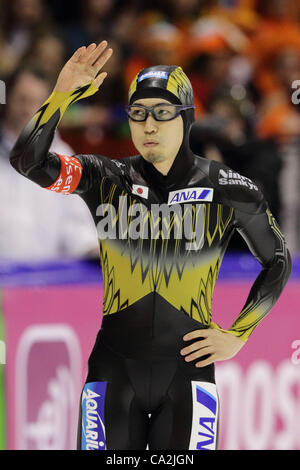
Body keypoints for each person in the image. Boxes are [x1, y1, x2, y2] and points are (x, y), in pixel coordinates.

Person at [10, 41, 292, 450]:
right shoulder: (104, 177)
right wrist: (61, 95)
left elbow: (278, 260)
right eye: (138, 115)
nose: (150, 126)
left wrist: (239, 334)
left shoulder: (228, 188)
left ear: (187, 119)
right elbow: (28, 161)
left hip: (188, 378)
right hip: (113, 370)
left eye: (162, 114)